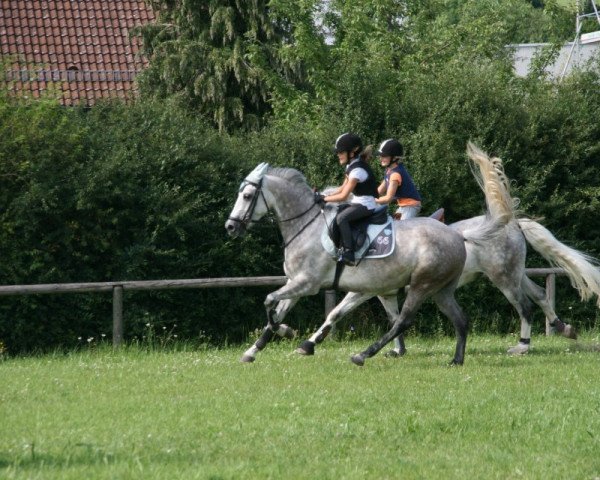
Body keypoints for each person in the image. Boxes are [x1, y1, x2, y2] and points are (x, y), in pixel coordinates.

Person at [314, 133, 379, 266]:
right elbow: (341, 188)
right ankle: (339, 248)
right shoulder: (351, 166)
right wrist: (322, 195)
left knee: (342, 218)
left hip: (367, 205)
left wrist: (325, 199)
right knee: (337, 212)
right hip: (357, 202)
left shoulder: (358, 171)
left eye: (341, 152)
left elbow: (344, 196)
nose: (338, 155)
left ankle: (349, 253)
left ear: (353, 151)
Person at [375, 138, 422, 220]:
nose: (380, 158)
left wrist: (373, 200)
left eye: (384, 156)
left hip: (411, 206)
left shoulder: (395, 175)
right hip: (403, 206)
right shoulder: (389, 170)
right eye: (380, 156)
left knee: (402, 229)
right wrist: (368, 195)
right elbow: (380, 190)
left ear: (394, 158)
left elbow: (388, 198)